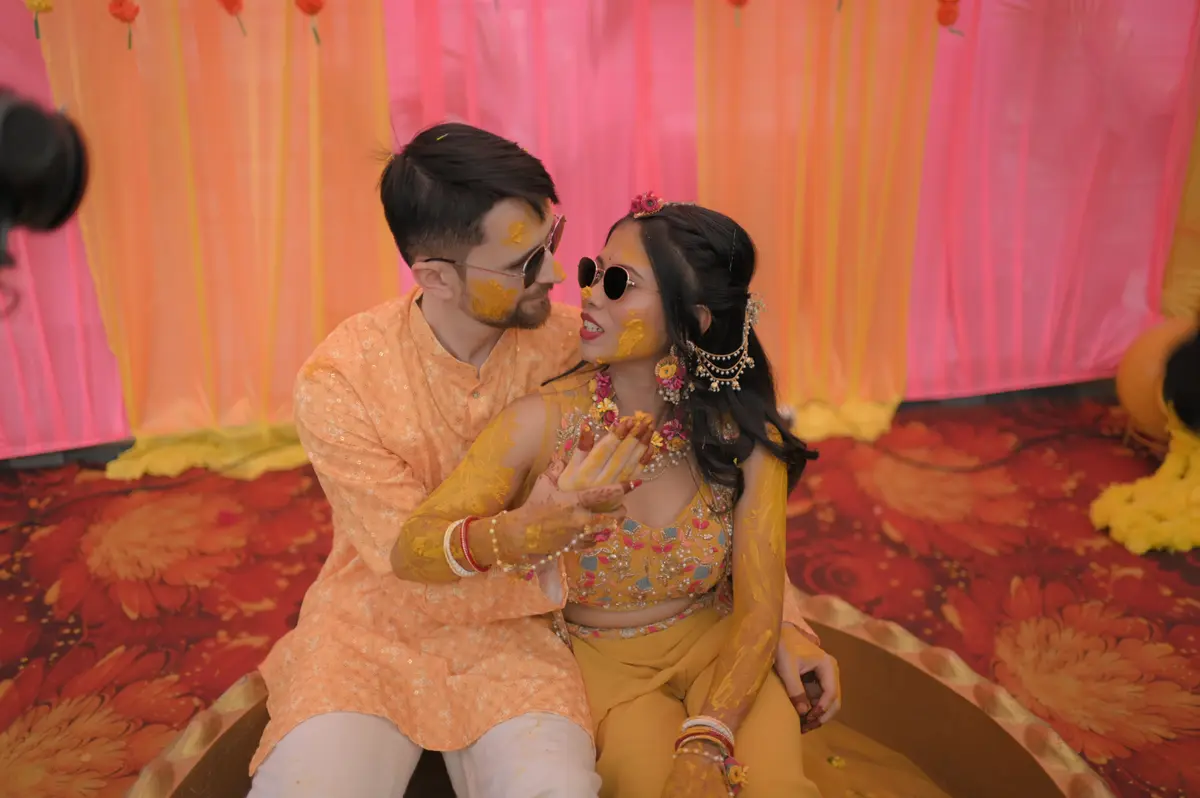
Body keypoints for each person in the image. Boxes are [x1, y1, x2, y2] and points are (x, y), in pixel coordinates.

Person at [247, 122, 838, 798]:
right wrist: (521, 532)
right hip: (377, 628)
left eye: (553, 244)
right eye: (525, 264)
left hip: (522, 639)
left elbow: (724, 483)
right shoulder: (341, 381)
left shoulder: (578, 343)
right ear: (436, 276)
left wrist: (781, 624)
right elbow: (402, 553)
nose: (560, 278)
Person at [397, 194, 822, 797]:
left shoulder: (744, 440)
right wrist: (516, 532)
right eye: (593, 272)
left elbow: (757, 613)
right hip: (607, 674)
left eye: (619, 282)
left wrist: (708, 740)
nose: (590, 294)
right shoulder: (541, 425)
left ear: (695, 319)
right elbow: (411, 548)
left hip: (722, 651)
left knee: (776, 787)